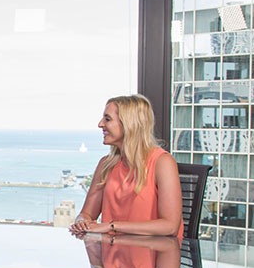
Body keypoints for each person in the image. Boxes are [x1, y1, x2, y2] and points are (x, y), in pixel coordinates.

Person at [70, 94, 183, 237]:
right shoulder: (106, 164)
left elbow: (170, 226)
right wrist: (82, 221)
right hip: (113, 252)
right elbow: (86, 213)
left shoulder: (163, 163)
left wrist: (111, 226)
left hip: (154, 254)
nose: (100, 124)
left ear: (129, 123)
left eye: (107, 119)